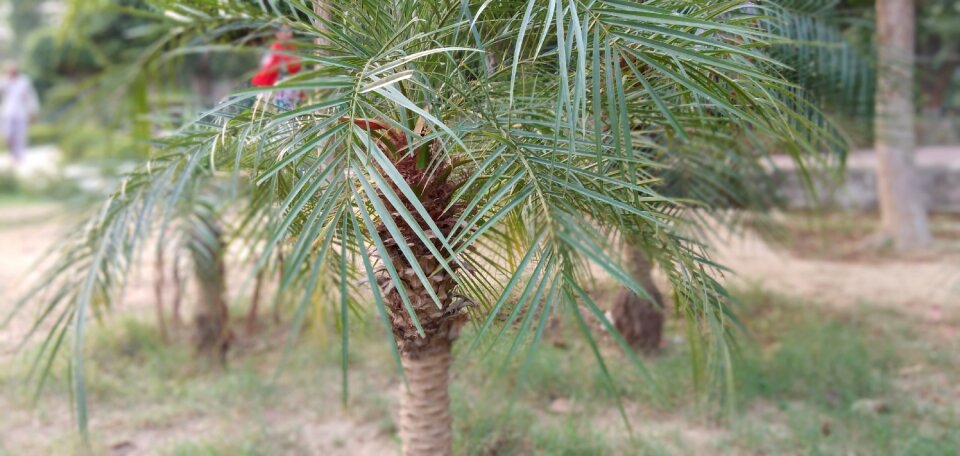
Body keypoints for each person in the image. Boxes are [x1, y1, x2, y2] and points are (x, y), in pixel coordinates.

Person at [251, 26, 303, 110]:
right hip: (272, 91)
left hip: (279, 90)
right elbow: (293, 68)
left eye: (290, 31)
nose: (290, 34)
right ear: (278, 34)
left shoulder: (288, 47)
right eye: (286, 32)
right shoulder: (278, 49)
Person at [0, 62, 40, 165]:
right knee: (8, 134)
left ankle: (19, 157)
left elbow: (29, 97)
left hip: (21, 113)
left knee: (20, 136)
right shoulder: (4, 80)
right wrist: (7, 80)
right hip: (8, 112)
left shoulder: (23, 81)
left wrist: (32, 111)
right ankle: (12, 154)